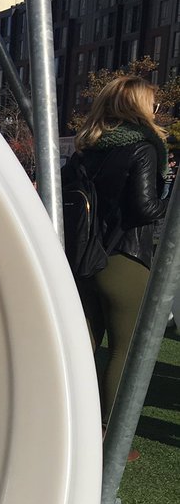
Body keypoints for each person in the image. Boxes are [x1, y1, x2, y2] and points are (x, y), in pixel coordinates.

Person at [74, 76, 168, 427]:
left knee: (81, 351)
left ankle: (70, 430)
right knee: (123, 351)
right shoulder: (143, 147)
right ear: (139, 107)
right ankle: (111, 440)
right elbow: (144, 208)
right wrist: (170, 206)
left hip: (82, 257)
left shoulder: (86, 150)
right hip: (124, 258)